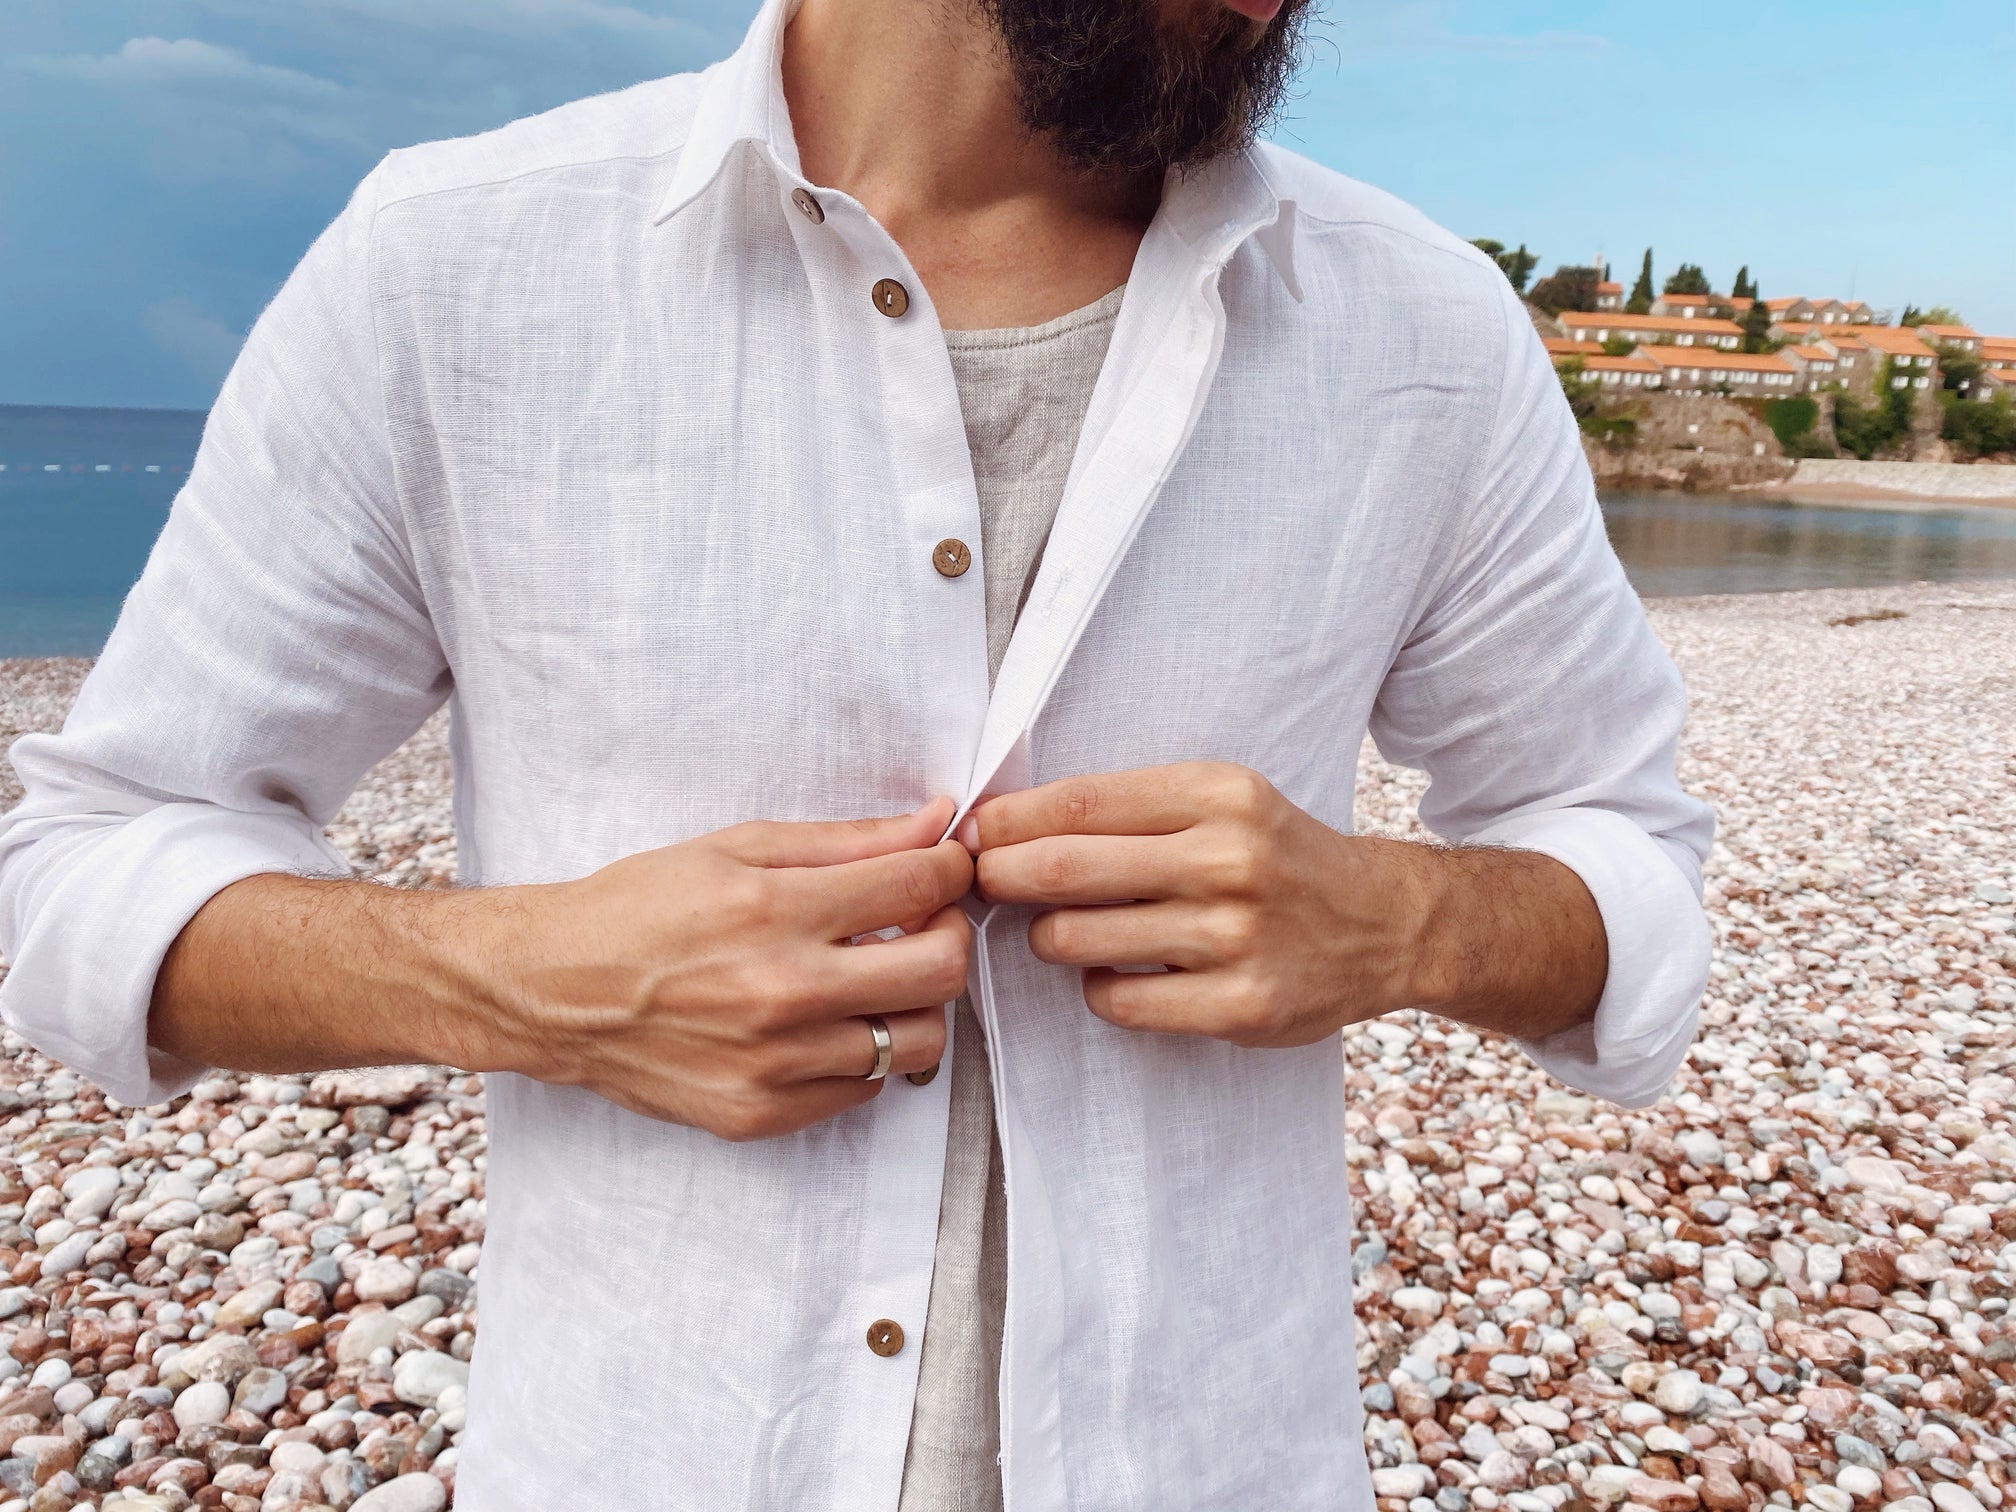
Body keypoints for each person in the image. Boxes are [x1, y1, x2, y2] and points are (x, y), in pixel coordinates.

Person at [0, 0, 1716, 1503]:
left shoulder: (1422, 333)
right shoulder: (455, 267)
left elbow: (1629, 856)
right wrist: (524, 978)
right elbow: (82, 869)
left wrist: (1402, 923)